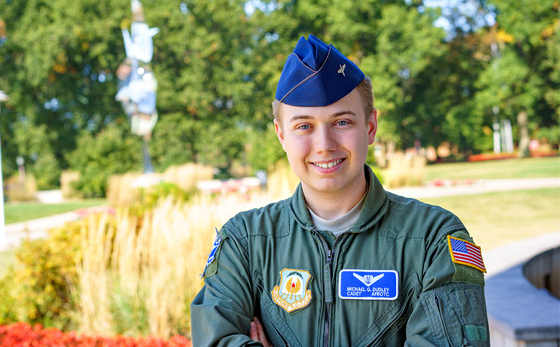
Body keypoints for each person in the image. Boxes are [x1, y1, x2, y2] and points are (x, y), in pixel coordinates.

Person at [190, 34, 489, 346]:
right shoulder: (245, 242)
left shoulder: (433, 239)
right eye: (304, 126)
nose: (324, 146)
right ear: (281, 135)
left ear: (370, 126)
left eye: (342, 122)